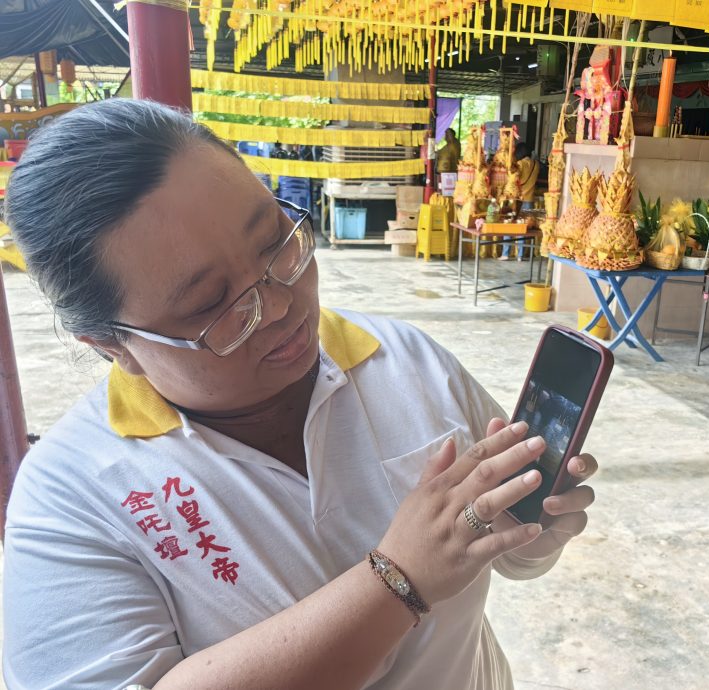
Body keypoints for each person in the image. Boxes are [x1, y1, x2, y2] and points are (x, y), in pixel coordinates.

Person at [1, 100, 599, 690]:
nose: (283, 307)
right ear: (113, 344)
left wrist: (534, 532)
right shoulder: (70, 499)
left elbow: (508, 556)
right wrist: (398, 580)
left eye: (276, 246)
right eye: (212, 304)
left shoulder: (408, 362)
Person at [498, 143, 540, 262]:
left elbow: (513, 178)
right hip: (529, 199)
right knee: (523, 228)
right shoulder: (536, 164)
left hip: (517, 200)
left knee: (509, 225)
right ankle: (520, 255)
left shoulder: (520, 164)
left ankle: (506, 253)